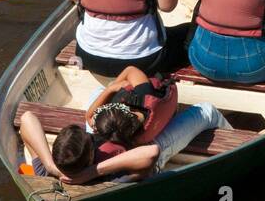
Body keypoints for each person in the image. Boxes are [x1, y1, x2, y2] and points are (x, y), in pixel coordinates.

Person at [19, 69, 232, 184]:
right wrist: (93, 171)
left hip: (88, 155)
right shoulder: (111, 177)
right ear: (92, 153)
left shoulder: (48, 171)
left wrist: (50, 166)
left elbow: (27, 118)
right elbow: (151, 152)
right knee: (206, 110)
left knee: (97, 96)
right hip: (141, 149)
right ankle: (235, 142)